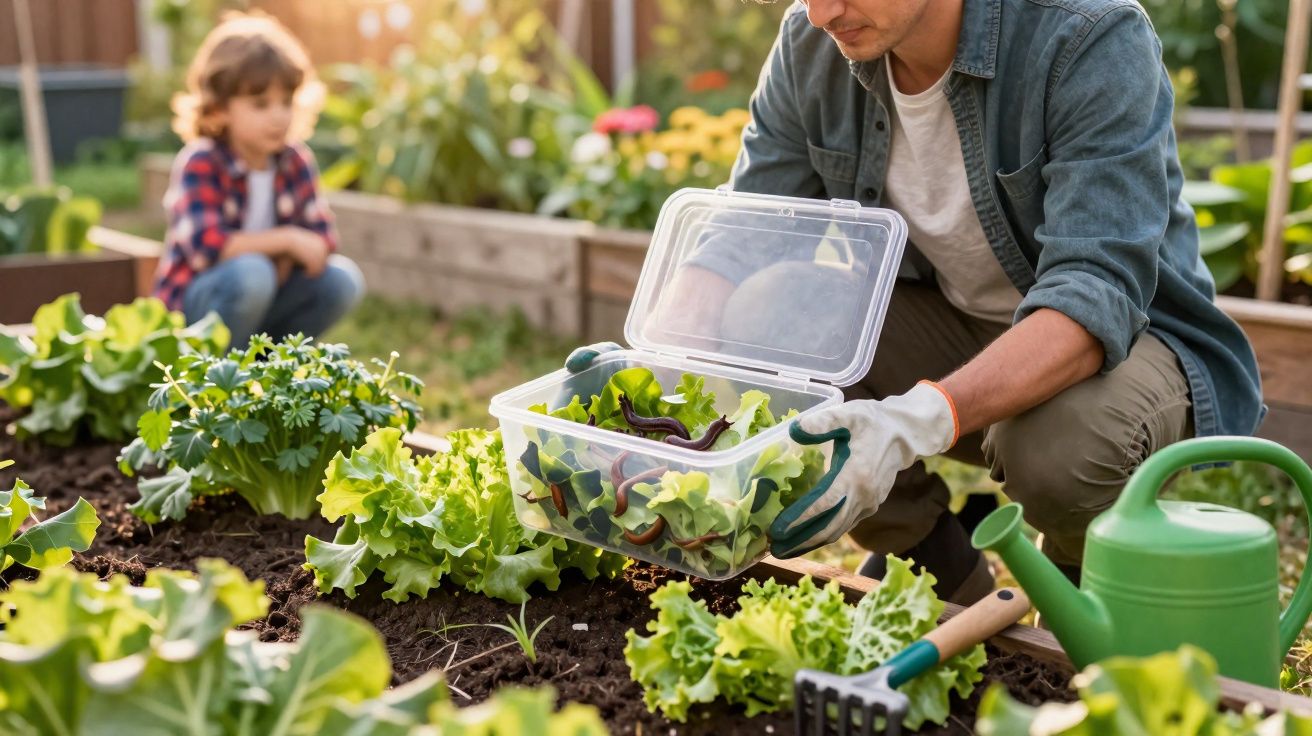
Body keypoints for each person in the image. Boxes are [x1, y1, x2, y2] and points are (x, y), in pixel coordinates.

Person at [567, 0, 1263, 604]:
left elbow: (1094, 296)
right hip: (953, 325)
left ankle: (1082, 584)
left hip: (1124, 348)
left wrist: (908, 423)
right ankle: (937, 565)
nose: (821, 13)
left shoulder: (1087, 37)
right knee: (767, 317)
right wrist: (652, 376)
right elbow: (742, 238)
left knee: (1057, 447)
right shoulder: (814, 46)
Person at [154, 12, 363, 348]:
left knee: (341, 280)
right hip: (193, 316)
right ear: (219, 108)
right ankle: (214, 379)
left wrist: (288, 252)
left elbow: (322, 241)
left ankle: (271, 367)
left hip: (264, 297)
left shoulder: (294, 161)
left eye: (286, 101)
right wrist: (287, 241)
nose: (278, 116)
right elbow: (208, 247)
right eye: (261, 104)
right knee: (253, 273)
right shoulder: (202, 161)